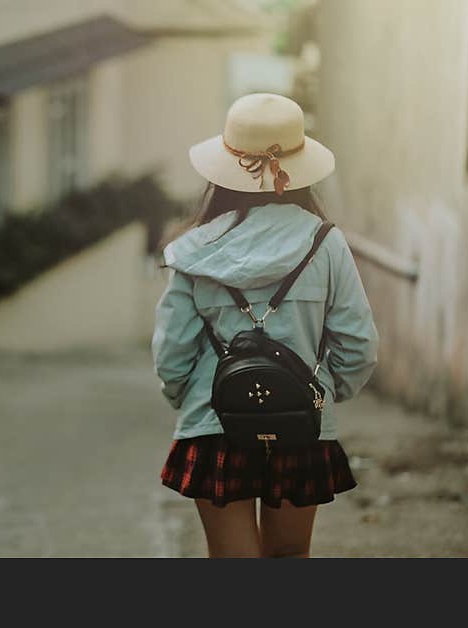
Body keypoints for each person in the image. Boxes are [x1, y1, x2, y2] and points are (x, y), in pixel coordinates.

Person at [152, 93, 378, 558]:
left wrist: (190, 398)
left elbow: (172, 354)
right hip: (303, 423)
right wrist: (325, 393)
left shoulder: (194, 251)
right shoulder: (326, 242)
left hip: (215, 424)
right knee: (290, 557)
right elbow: (359, 346)